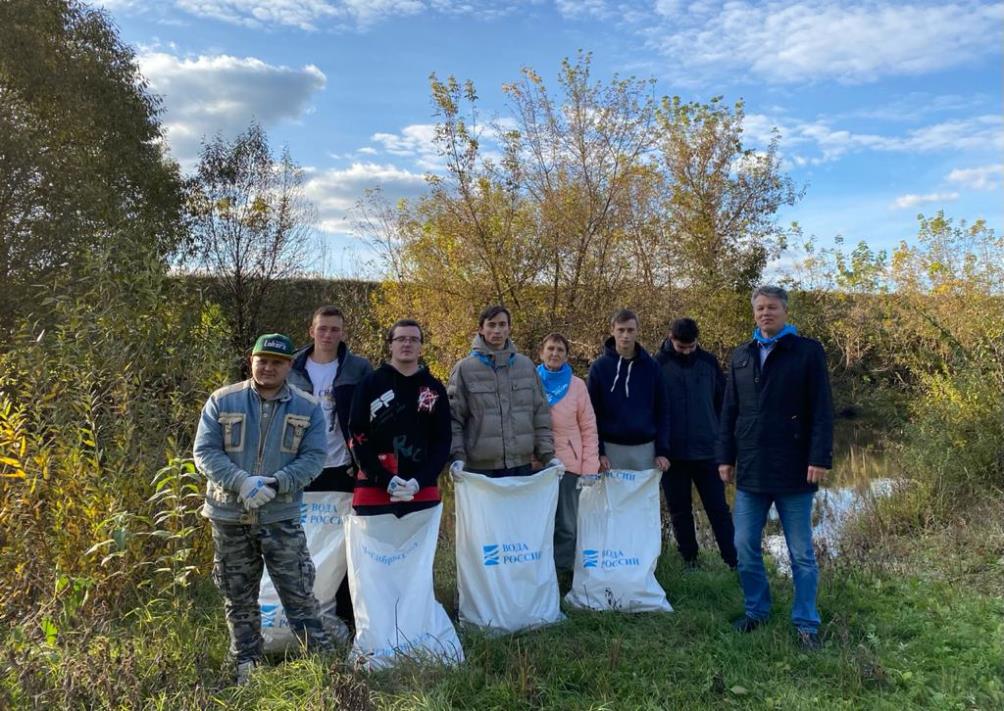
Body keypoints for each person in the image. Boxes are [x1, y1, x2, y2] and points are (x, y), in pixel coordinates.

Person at [193, 333, 334, 685]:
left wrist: (276, 482)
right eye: (263, 360)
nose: (269, 367)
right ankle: (246, 664)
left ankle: (322, 668)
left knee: (298, 593)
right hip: (229, 515)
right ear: (251, 360)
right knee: (237, 594)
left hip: (280, 516)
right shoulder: (222, 401)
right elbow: (205, 452)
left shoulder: (307, 407)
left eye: (277, 362)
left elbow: (315, 458)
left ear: (289, 366)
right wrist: (241, 481)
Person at [717, 285, 834, 651]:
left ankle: (806, 623)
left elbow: (822, 409)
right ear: (753, 313)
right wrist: (725, 456)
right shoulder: (740, 356)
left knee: (801, 552)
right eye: (759, 308)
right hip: (751, 468)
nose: (765, 313)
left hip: (796, 469)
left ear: (785, 311)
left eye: (772, 308)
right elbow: (728, 413)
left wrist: (819, 457)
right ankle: (757, 610)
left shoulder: (807, 352)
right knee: (743, 545)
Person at [287, 305, 372, 633]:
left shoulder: (358, 368)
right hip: (300, 466)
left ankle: (344, 618)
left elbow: (370, 415)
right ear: (311, 331)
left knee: (343, 543)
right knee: (303, 540)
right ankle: (300, 612)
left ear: (342, 332)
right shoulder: (292, 367)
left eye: (335, 329)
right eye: (322, 328)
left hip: (343, 468)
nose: (328, 335)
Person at [656, 318, 738, 571]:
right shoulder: (656, 365)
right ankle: (690, 562)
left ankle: (734, 561)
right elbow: (652, 410)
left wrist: (724, 446)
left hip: (708, 452)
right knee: (680, 512)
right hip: (672, 455)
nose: (687, 351)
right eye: (682, 347)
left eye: (691, 347)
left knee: (719, 510)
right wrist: (659, 449)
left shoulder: (709, 362)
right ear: (671, 338)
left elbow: (723, 405)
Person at [348, 319, 451, 515]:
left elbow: (443, 440)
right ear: (390, 344)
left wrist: (420, 480)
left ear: (421, 346)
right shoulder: (369, 383)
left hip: (421, 489)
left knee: (421, 546)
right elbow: (357, 433)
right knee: (373, 546)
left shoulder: (434, 388)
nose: (407, 344)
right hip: (374, 489)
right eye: (401, 338)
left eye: (413, 339)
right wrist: (383, 479)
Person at [447, 304, 557, 477]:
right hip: (479, 470)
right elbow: (454, 419)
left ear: (509, 328)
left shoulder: (526, 366)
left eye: (502, 324)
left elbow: (540, 415)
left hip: (521, 465)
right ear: (481, 329)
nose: (497, 330)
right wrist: (457, 456)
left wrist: (547, 455)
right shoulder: (464, 369)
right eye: (491, 325)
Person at [536, 332, 600, 574]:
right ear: (541, 353)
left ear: (566, 355)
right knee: (540, 523)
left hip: (569, 467)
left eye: (560, 350)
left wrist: (590, 468)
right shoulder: (530, 381)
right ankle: (538, 576)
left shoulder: (577, 386)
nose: (555, 354)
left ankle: (562, 575)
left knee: (566, 525)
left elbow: (589, 428)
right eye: (550, 348)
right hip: (536, 465)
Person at [587, 309, 671, 473]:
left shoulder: (652, 367)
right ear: (612, 330)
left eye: (630, 330)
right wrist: (598, 452)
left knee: (643, 499)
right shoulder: (599, 368)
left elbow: (663, 411)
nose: (625, 335)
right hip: (611, 450)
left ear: (637, 331)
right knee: (612, 498)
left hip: (646, 449)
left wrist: (662, 450)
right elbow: (591, 414)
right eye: (621, 330)